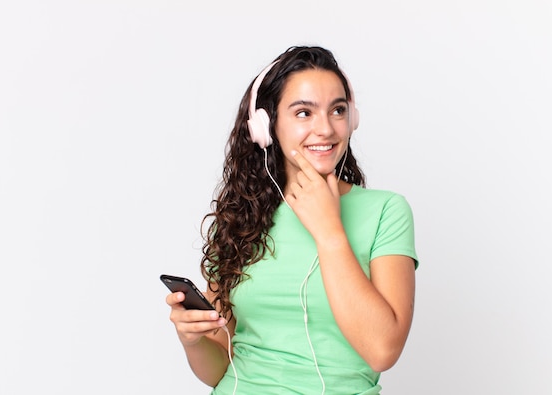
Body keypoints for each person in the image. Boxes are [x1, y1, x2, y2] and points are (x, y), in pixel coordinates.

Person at [165, 45, 418, 394]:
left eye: (338, 110)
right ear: (267, 127)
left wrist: (330, 231)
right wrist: (192, 341)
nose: (326, 129)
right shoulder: (243, 217)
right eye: (304, 113)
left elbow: (382, 350)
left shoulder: (387, 211)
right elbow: (221, 370)